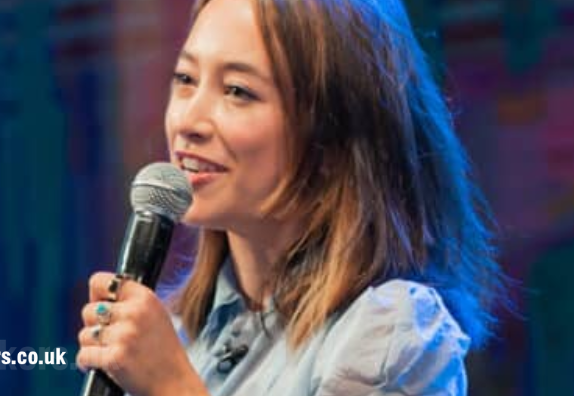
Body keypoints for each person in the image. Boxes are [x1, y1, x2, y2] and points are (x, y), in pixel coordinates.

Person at [74, 0, 510, 394]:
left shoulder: (390, 335)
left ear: (332, 140)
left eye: (237, 91)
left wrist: (172, 387)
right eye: (186, 79)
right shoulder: (178, 336)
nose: (189, 120)